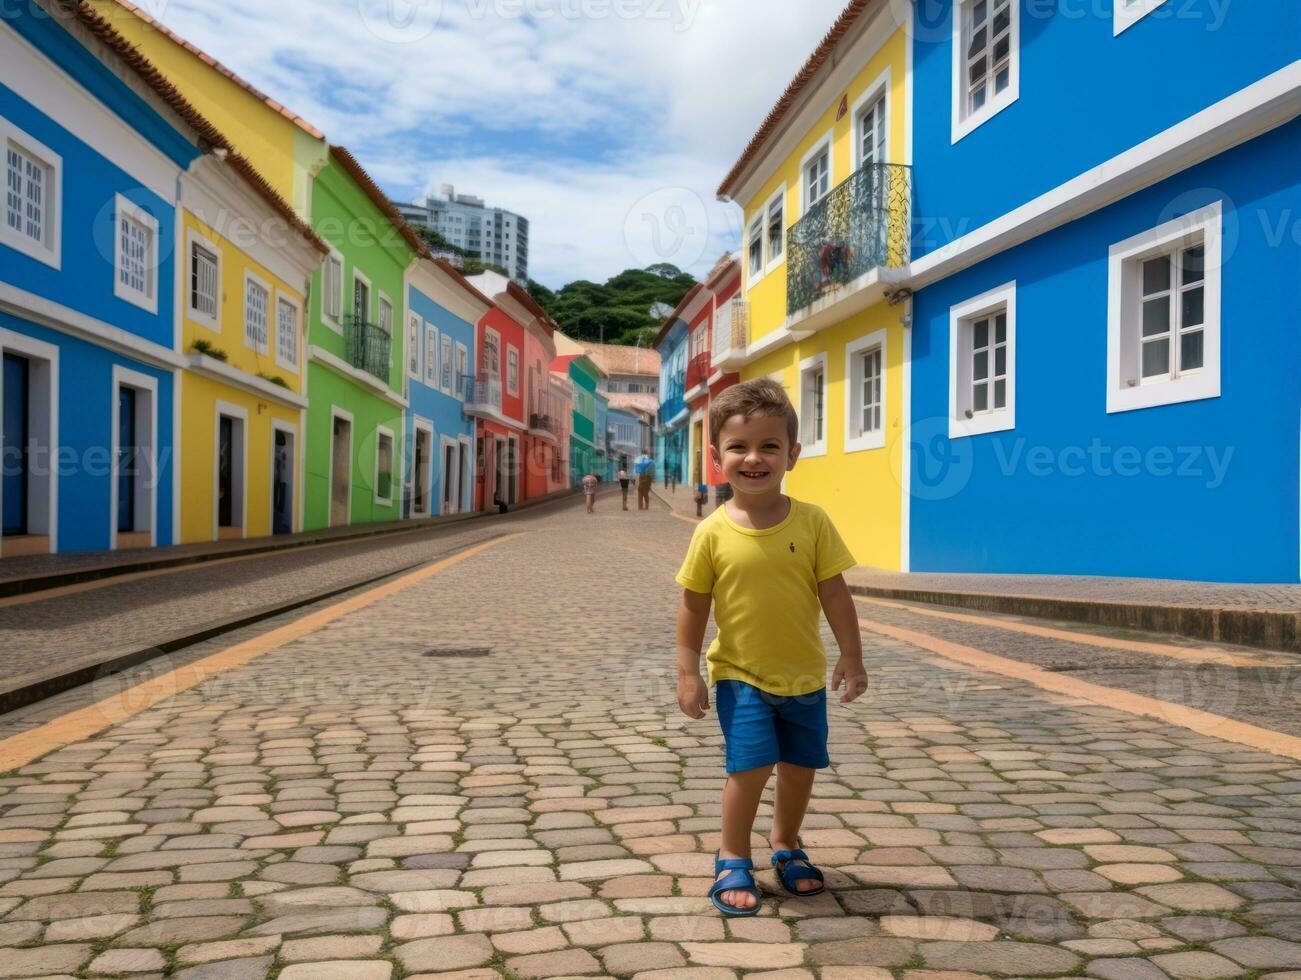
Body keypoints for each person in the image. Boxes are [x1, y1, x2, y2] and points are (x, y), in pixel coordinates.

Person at [674, 379, 868, 918]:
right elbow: (693, 606)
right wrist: (688, 674)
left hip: (804, 675)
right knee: (751, 767)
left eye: (769, 446)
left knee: (801, 766)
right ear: (716, 457)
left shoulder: (812, 523)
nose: (753, 458)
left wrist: (851, 655)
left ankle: (786, 844)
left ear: (793, 455)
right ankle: (733, 854)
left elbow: (834, 591)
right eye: (738, 447)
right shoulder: (711, 532)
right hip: (741, 675)